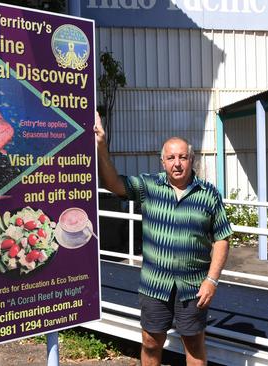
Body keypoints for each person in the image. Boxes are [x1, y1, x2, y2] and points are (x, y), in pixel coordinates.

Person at [94, 113, 232, 366]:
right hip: (154, 285)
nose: (177, 163)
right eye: (171, 158)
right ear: (163, 162)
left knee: (193, 344)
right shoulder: (149, 187)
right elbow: (114, 184)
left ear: (192, 160)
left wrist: (211, 281)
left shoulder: (209, 195)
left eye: (182, 157)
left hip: (193, 287)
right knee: (150, 341)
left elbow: (222, 238)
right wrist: (101, 146)